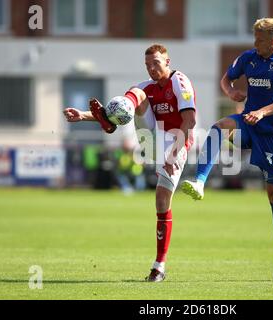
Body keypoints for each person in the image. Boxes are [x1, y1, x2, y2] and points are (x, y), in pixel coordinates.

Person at [63, 44, 196, 282]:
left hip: (176, 142)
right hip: (151, 138)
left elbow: (190, 120)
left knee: (161, 200)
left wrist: (174, 154)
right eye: (147, 65)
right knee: (137, 93)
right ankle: (108, 119)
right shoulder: (146, 87)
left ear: (168, 61)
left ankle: (159, 266)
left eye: (156, 63)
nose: (152, 68)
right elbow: (132, 105)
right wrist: (83, 115)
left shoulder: (180, 81)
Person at [181, 18, 273, 281]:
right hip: (248, 126)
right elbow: (225, 79)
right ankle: (200, 182)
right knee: (220, 126)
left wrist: (263, 111)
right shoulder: (249, 58)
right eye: (254, 38)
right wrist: (230, 91)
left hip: (272, 135)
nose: (255, 43)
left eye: (260, 40)